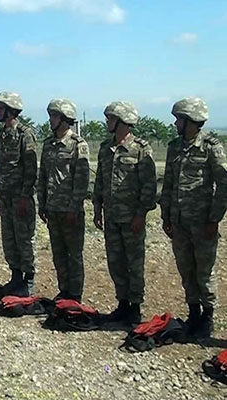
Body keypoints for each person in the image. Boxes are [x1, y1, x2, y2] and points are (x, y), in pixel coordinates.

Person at [161, 97, 227, 337]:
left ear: (190, 121)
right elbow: (168, 183)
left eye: (178, 119)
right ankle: (194, 314)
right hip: (179, 222)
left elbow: (224, 183)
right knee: (186, 270)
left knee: (204, 271)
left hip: (202, 223)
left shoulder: (210, 147)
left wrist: (214, 219)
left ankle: (207, 318)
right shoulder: (174, 147)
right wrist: (166, 216)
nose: (175, 124)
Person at [93, 101, 157, 325]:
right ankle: (122, 304)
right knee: (116, 262)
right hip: (111, 216)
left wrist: (141, 214)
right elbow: (100, 180)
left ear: (122, 122)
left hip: (132, 218)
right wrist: (97, 207)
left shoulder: (140, 149)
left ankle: (135, 308)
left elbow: (149, 185)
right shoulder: (106, 148)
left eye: (111, 118)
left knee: (134, 263)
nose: (107, 122)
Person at [38, 99, 90, 302]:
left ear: (65, 119)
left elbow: (82, 179)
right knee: (58, 253)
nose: (50, 120)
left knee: (74, 254)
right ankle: (64, 290)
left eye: (54, 116)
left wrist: (74, 207)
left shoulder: (78, 144)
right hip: (53, 209)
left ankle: (75, 295)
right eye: (50, 116)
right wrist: (42, 203)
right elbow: (43, 176)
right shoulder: (48, 144)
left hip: (70, 211)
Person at [0, 91, 37, 296]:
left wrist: (25, 197)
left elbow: (31, 168)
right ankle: (15, 276)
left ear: (10, 111)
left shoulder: (25, 134)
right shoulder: (0, 135)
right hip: (5, 198)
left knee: (24, 239)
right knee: (9, 239)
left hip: (20, 198)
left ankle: (28, 280)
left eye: (0, 109)